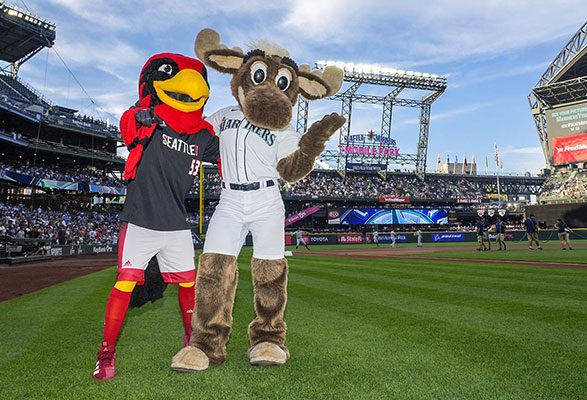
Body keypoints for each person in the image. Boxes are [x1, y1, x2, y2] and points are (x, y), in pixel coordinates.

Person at [93, 54, 220, 381]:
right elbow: (128, 123)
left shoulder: (201, 135)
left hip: (177, 224)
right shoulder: (146, 120)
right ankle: (107, 352)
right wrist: (147, 112)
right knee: (125, 282)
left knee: (190, 284)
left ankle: (192, 340)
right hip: (141, 219)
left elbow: (230, 153)